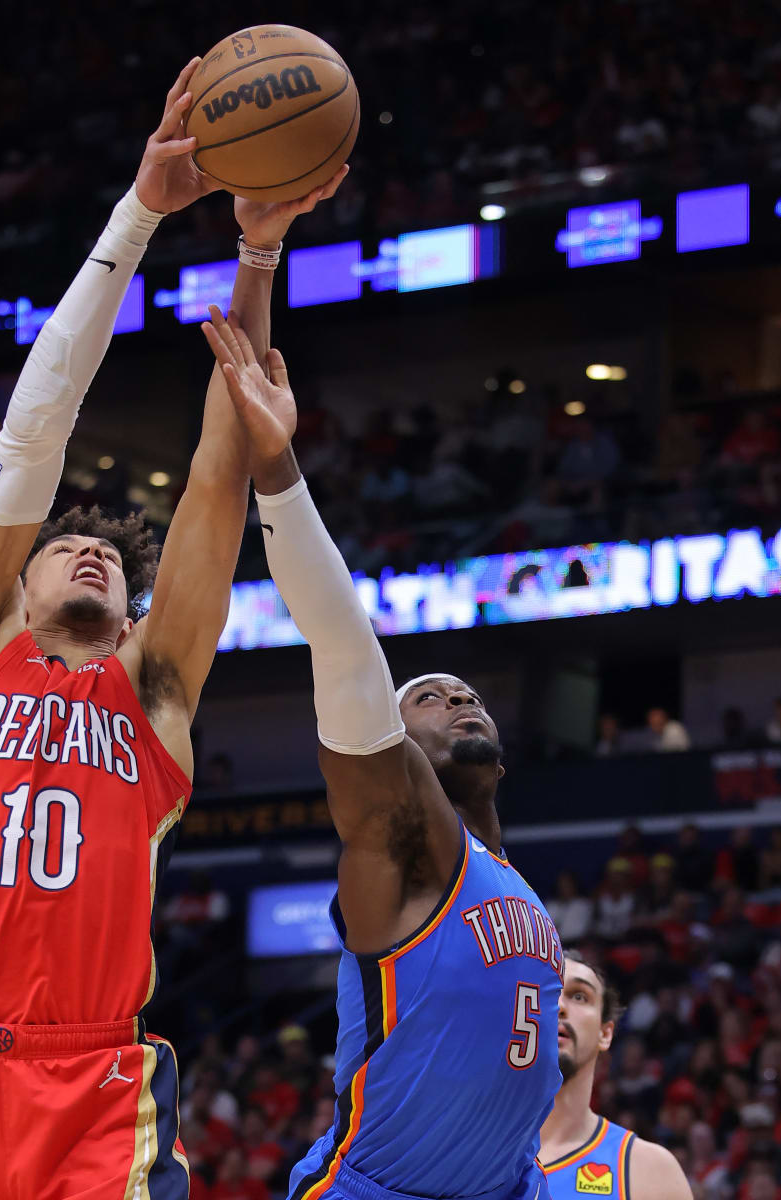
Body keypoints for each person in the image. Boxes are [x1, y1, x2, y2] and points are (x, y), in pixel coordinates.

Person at [0, 59, 345, 1200]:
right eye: (61, 548)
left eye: (111, 561)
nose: (89, 550)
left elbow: (216, 482)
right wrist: (141, 209)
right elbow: (35, 429)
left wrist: (255, 254)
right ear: (16, 589)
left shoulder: (157, 695)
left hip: (92, 1084)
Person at [202, 310, 564, 1200]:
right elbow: (345, 646)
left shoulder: (508, 878)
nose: (459, 697)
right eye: (427, 698)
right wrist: (281, 471)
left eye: (467, 692)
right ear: (398, 747)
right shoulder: (404, 843)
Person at [537, 954, 689, 1200]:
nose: (560, 1006)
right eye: (547, 991)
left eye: (579, 996)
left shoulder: (650, 1172)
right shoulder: (463, 1151)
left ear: (605, 1033)